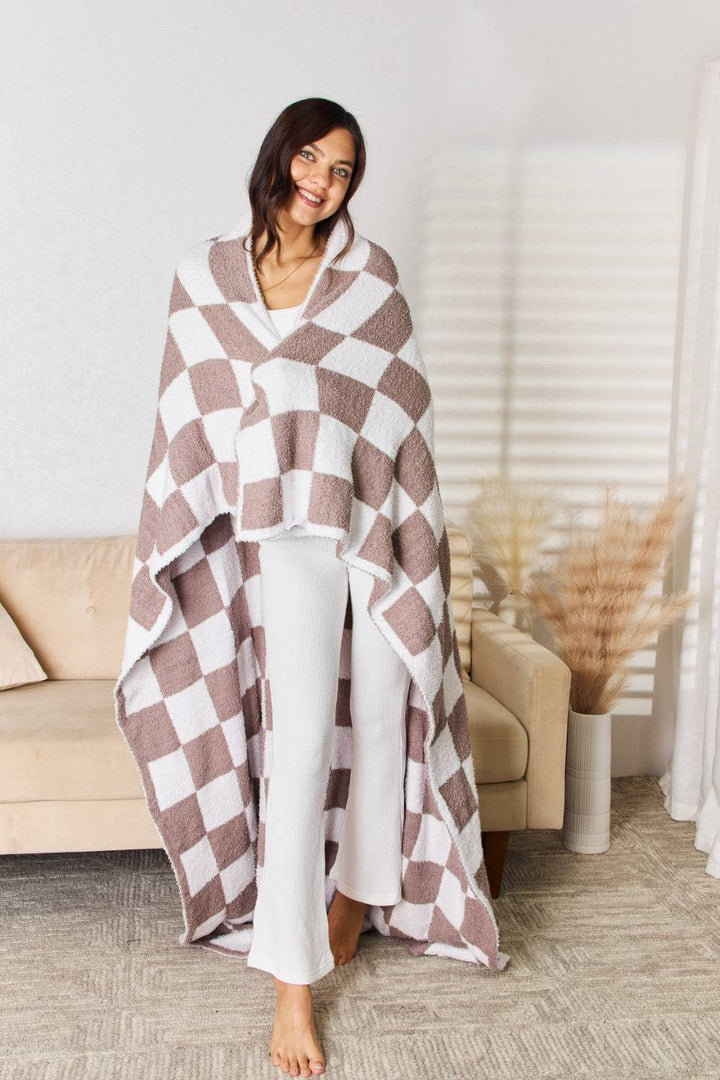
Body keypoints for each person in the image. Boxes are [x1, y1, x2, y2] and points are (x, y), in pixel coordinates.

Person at [238, 99, 413, 1078]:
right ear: (279, 154)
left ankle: (361, 888)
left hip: (374, 516)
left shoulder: (368, 274)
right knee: (301, 741)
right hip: (289, 528)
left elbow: (400, 403)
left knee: (384, 711)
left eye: (342, 169)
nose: (320, 179)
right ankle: (292, 982)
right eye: (309, 155)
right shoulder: (210, 276)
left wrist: (402, 520)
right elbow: (200, 410)